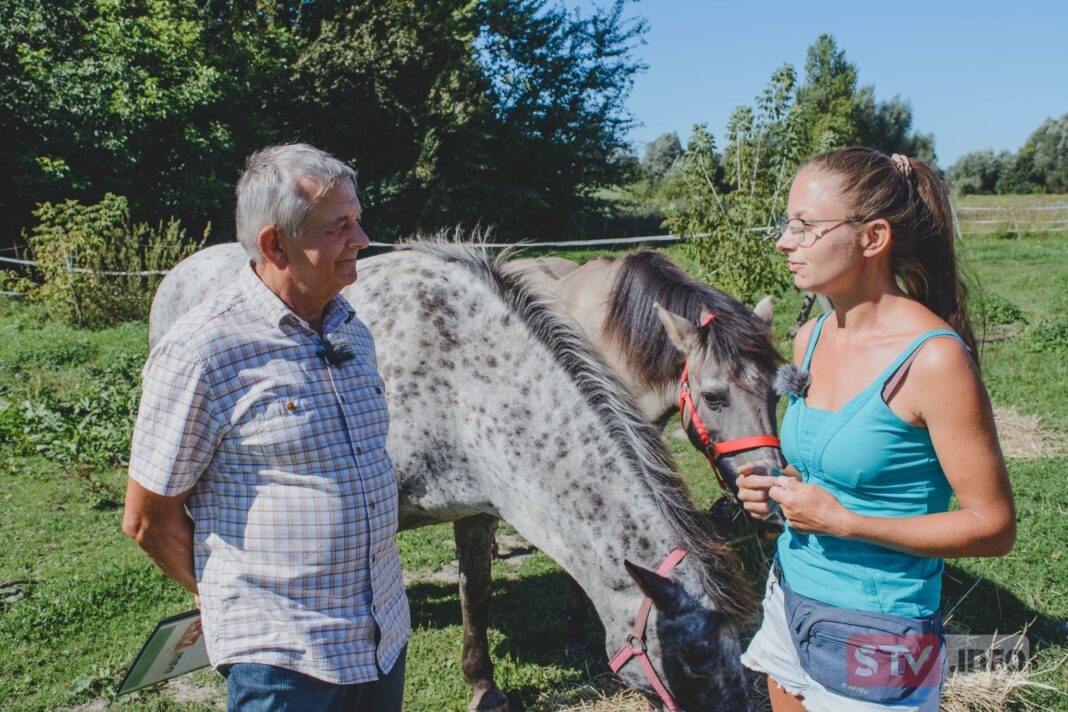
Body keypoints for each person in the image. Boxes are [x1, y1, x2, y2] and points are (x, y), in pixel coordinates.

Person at [123, 143, 409, 712]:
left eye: (357, 219)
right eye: (339, 226)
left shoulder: (352, 331)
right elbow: (146, 518)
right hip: (282, 659)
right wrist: (237, 605)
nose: (362, 238)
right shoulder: (204, 350)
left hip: (381, 640)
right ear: (275, 244)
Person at [737, 147, 1016, 712]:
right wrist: (778, 487)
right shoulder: (811, 337)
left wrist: (846, 522)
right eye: (787, 224)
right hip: (790, 599)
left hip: (880, 632)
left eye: (805, 226)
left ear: (873, 237)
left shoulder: (933, 361)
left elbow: (994, 527)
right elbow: (827, 468)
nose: (784, 242)